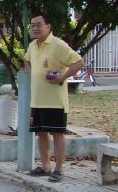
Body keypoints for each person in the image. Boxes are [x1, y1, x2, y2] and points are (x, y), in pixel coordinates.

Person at [25, 12, 84, 182]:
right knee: (41, 133)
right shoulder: (32, 45)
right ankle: (45, 166)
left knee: (57, 133)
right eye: (33, 25)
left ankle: (59, 169)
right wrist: (32, 73)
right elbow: (26, 61)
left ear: (48, 26)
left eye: (38, 25)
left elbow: (78, 62)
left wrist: (62, 77)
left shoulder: (58, 45)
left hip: (55, 101)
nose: (35, 28)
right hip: (37, 100)